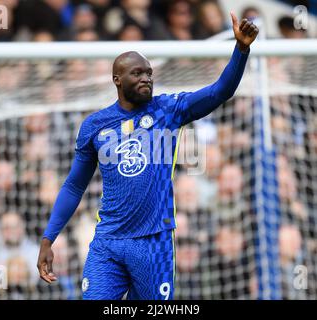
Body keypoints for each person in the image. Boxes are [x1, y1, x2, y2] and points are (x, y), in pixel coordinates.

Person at [37, 12, 259, 300]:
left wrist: (241, 49)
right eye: (138, 73)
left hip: (154, 243)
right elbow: (74, 186)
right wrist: (48, 238)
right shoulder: (94, 125)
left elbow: (219, 92)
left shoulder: (168, 110)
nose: (146, 78)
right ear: (117, 79)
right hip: (108, 242)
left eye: (149, 73)